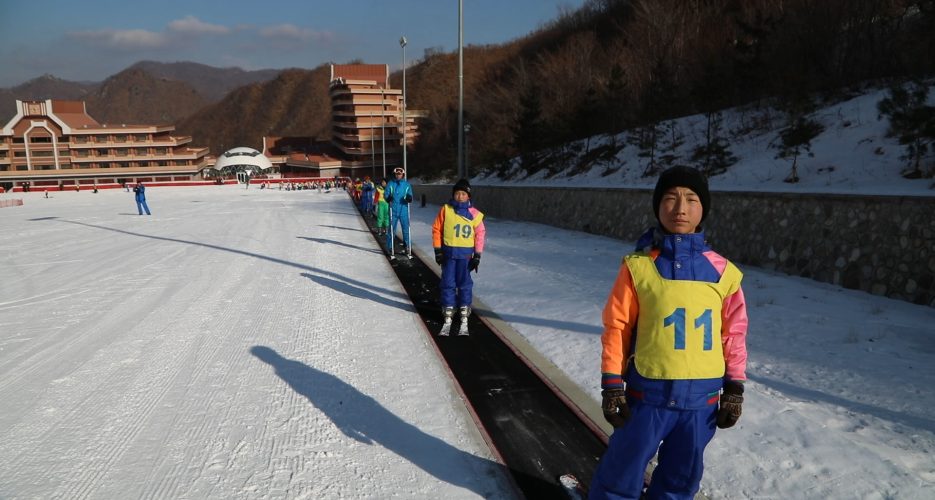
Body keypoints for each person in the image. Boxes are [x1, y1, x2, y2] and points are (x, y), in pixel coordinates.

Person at [589, 166, 749, 499]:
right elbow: (618, 327)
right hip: (646, 398)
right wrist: (612, 383)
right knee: (623, 471)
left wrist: (734, 388)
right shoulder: (638, 266)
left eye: (691, 199)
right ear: (658, 206)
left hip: (700, 404)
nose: (680, 208)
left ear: (703, 208)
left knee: (681, 480)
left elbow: (733, 333)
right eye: (670, 199)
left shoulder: (725, 273)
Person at [432, 179, 486, 336]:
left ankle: (464, 307)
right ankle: (448, 308)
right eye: (457, 193)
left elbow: (480, 235)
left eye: (463, 194)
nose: (460, 196)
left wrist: (477, 255)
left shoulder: (475, 214)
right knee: (447, 282)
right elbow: (437, 229)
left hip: (465, 256)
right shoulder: (446, 209)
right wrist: (438, 250)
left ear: (468, 196)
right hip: (448, 255)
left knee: (464, 283)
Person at [384, 167, 413, 257]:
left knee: (406, 229)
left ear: (403, 175)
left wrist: (409, 198)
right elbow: (386, 194)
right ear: (395, 174)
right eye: (397, 174)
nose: (398, 175)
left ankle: (407, 246)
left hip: (403, 210)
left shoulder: (407, 184)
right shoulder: (390, 183)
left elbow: (410, 195)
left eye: (400, 174)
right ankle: (390, 247)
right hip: (393, 210)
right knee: (391, 230)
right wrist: (388, 198)